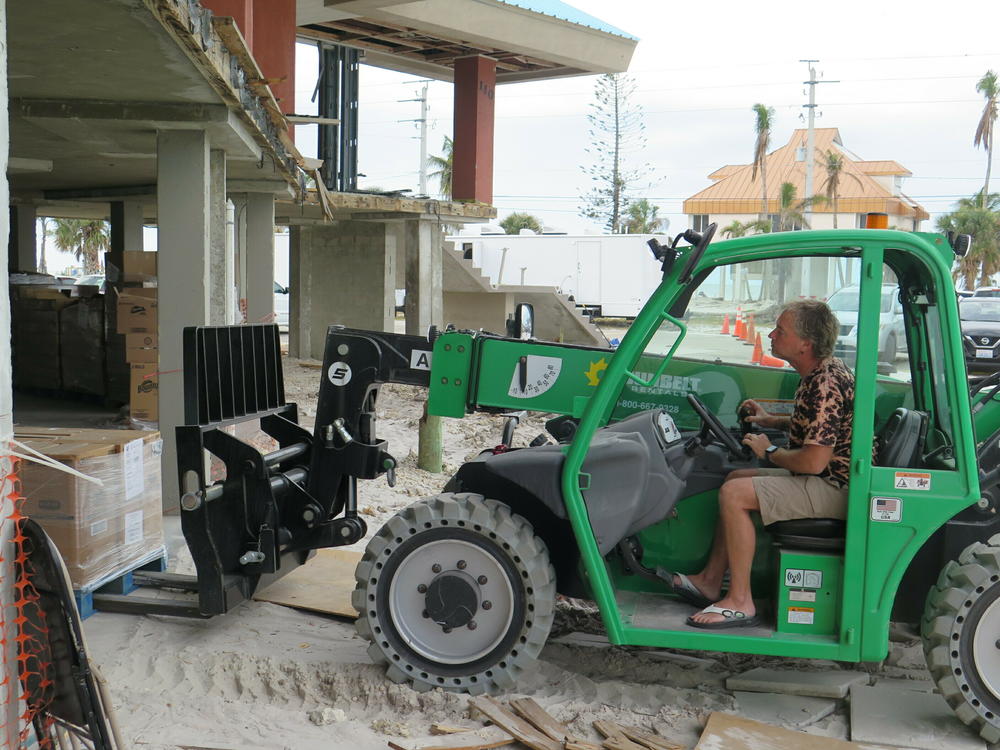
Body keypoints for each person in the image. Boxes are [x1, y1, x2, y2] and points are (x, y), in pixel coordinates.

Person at [672, 299, 855, 629]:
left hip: (835, 486)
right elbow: (817, 428)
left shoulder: (824, 385)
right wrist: (770, 420)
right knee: (736, 477)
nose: (770, 334)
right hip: (829, 478)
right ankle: (711, 581)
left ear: (805, 344)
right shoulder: (820, 372)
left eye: (780, 330)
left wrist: (768, 449)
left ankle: (741, 600)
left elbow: (814, 461)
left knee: (735, 494)